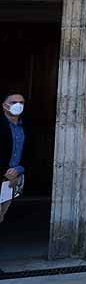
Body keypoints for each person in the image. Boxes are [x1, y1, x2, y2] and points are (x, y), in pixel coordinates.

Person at [1, 93, 26, 226]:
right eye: (14, 102)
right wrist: (6, 172)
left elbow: (30, 152)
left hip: (13, 177)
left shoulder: (25, 127)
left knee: (2, 213)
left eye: (21, 103)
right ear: (5, 106)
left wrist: (18, 170)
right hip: (6, 174)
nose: (18, 105)